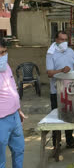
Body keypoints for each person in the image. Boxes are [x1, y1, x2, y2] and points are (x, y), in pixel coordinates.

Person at [46, 31, 74, 149]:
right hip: (57, 90)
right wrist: (62, 70)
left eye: (65, 39)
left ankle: (70, 140)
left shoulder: (70, 51)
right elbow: (49, 73)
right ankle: (56, 143)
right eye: (61, 39)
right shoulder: (50, 53)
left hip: (71, 89)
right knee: (57, 117)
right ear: (56, 40)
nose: (64, 42)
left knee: (70, 115)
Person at [0, 38, 25, 168]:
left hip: (14, 116)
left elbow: (12, 86)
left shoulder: (6, 66)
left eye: (4, 52)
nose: (3, 56)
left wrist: (18, 109)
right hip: (1, 120)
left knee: (19, 150)